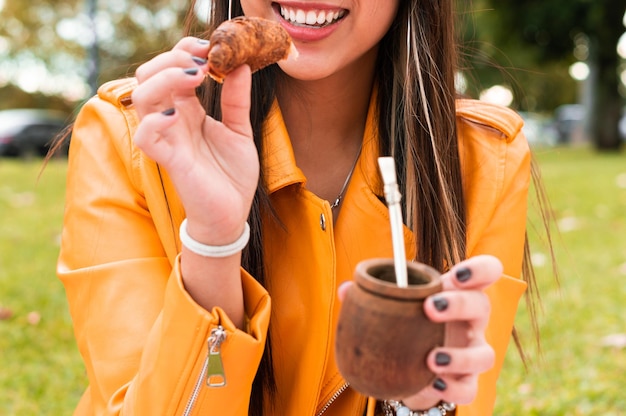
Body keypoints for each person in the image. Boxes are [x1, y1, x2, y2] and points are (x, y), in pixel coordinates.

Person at [56, 0, 540, 415]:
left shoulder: (483, 158)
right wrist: (213, 241)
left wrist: (420, 402)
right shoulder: (132, 138)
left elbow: (459, 399)